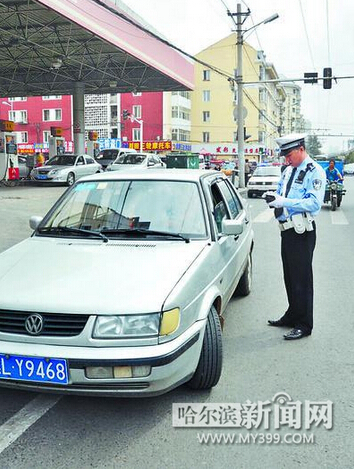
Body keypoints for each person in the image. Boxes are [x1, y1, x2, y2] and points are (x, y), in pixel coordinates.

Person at [264, 133, 326, 340]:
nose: (286, 159)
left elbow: (314, 204)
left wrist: (283, 202)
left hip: (302, 232)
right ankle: (292, 315)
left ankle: (304, 324)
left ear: (301, 149)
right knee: (290, 277)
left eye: (289, 155)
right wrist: (274, 198)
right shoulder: (289, 170)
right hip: (287, 230)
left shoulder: (314, 171)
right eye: (284, 156)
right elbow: (282, 191)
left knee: (302, 280)